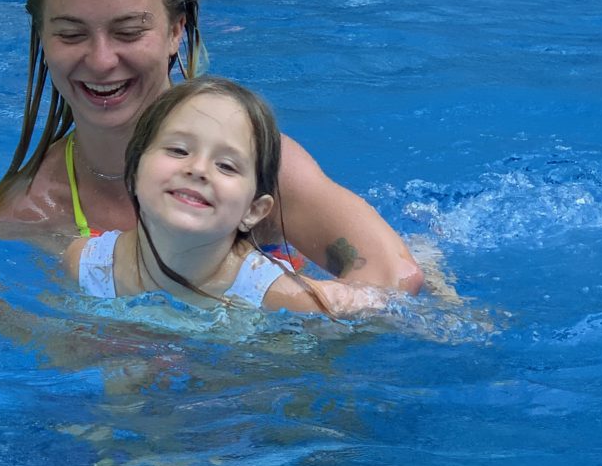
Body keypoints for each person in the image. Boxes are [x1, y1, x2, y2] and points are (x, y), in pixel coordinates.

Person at [0, 0, 423, 294]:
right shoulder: (29, 212)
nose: (100, 60)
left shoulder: (249, 168)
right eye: (71, 34)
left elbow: (396, 276)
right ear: (42, 36)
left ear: (177, 30)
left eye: (130, 32)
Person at [64, 75, 384, 316]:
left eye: (227, 166)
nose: (199, 169)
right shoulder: (88, 264)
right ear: (133, 172)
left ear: (254, 211)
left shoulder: (279, 297)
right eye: (178, 149)